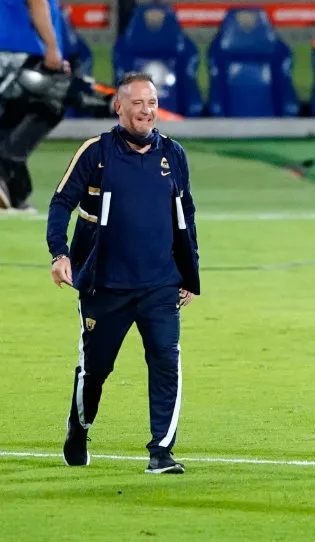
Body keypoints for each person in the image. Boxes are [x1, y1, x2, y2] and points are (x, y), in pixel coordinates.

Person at [46, 72, 200, 474]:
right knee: (95, 372)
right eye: (137, 103)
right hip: (105, 286)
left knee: (166, 361)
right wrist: (59, 254)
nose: (146, 111)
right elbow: (60, 204)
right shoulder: (96, 152)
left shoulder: (174, 155)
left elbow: (186, 216)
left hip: (160, 285)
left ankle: (161, 453)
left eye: (151, 103)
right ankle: (78, 429)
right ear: (119, 107)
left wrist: (189, 273)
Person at [0, 0, 70, 212]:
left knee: (11, 118)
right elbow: (38, 3)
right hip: (21, 50)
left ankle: (15, 194)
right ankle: (4, 171)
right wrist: (52, 48)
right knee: (54, 103)